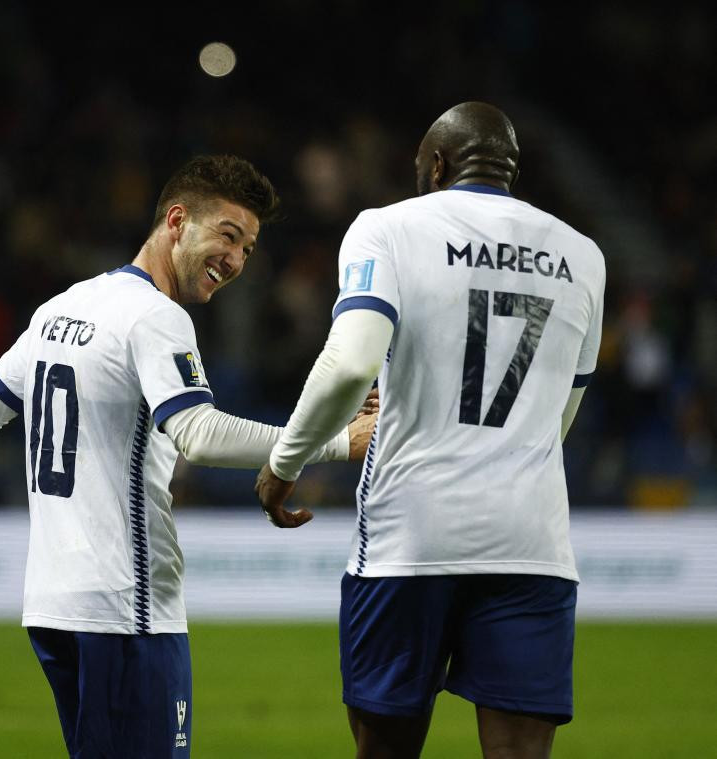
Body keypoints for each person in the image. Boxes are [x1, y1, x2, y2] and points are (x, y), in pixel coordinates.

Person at [0, 154, 374, 759]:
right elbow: (197, 432)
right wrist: (335, 442)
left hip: (52, 604)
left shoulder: (62, 308)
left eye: (248, 248)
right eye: (227, 235)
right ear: (177, 221)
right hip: (126, 607)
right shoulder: (155, 315)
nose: (237, 260)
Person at [255, 102, 606, 759]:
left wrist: (287, 458)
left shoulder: (385, 228)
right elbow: (563, 412)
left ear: (438, 164)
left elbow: (351, 362)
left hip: (410, 537)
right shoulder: (582, 256)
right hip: (531, 540)